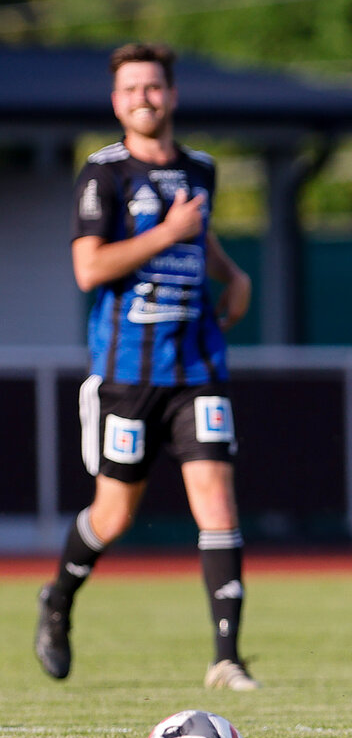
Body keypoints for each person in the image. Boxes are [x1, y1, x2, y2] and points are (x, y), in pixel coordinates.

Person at [35, 42, 259, 691]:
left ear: (172, 95)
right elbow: (89, 268)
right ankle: (57, 600)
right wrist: (166, 231)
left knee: (216, 498)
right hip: (127, 376)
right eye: (132, 89)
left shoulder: (200, 170)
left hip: (197, 368)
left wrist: (234, 274)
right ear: (116, 101)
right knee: (113, 516)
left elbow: (202, 232)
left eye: (154, 87)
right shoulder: (102, 175)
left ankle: (227, 657)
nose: (144, 98)